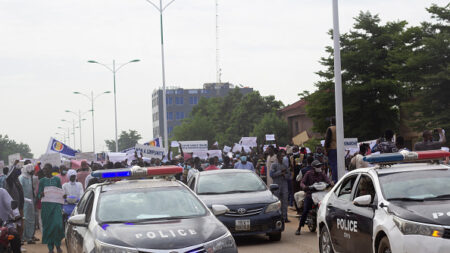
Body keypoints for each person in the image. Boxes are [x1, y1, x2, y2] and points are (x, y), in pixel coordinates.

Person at [296, 160, 333, 235]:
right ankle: (299, 228)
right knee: (306, 210)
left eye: (319, 166)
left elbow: (327, 180)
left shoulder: (322, 174)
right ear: (313, 168)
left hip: (321, 193)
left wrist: (330, 184)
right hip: (310, 194)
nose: (319, 168)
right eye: (317, 166)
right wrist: (305, 187)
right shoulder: (308, 174)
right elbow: (302, 182)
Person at [38, 163, 64, 253]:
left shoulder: (57, 179)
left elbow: (60, 191)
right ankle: (50, 248)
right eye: (44, 169)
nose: (44, 171)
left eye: (46, 169)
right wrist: (40, 194)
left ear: (51, 169)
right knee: (48, 227)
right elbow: (38, 195)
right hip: (46, 207)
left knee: (57, 225)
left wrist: (63, 195)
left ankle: (58, 246)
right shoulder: (41, 181)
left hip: (56, 206)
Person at [4, 161, 25, 241]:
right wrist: (13, 165)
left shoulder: (17, 181)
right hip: (12, 208)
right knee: (13, 227)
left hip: (20, 206)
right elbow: (8, 176)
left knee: (21, 226)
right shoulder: (10, 182)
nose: (18, 172)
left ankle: (19, 243)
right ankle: (13, 244)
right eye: (15, 171)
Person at [270, 152, 291, 223]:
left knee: (285, 201)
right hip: (276, 185)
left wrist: (285, 175)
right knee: (277, 202)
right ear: (278, 157)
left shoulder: (285, 165)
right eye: (281, 157)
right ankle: (277, 217)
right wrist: (280, 172)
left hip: (284, 184)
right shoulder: (274, 165)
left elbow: (289, 175)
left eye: (283, 157)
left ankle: (284, 217)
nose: (282, 158)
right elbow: (272, 175)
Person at [18, 164, 36, 245]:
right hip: (24, 202)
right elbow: (20, 191)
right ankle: (22, 237)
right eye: (31, 170)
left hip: (31, 202)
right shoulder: (21, 178)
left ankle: (29, 237)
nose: (33, 171)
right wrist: (25, 199)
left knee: (31, 219)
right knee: (24, 219)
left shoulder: (30, 177)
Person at [0, 188, 22, 253]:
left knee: (14, 235)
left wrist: (16, 215)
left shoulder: (2, 192)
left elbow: (10, 204)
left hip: (5, 225)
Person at [324, 118, 338, 183]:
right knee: (338, 164)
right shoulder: (339, 128)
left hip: (332, 148)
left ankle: (335, 180)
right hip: (339, 148)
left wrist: (326, 149)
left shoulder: (330, 129)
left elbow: (327, 140)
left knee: (333, 165)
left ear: (331, 122)